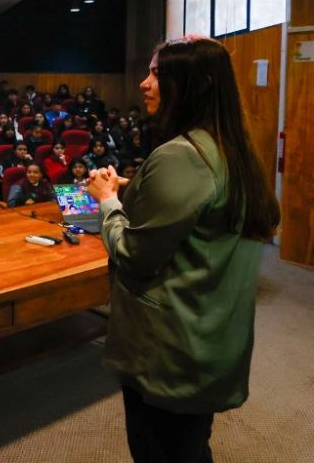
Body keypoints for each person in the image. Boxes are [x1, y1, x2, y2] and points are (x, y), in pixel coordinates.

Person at [86, 37, 280, 463]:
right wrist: (134, 188)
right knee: (188, 446)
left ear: (195, 84)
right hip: (209, 336)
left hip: (168, 348)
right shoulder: (231, 147)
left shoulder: (180, 156)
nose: (143, 83)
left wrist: (107, 202)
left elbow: (135, 256)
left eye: (157, 72)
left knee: (161, 450)